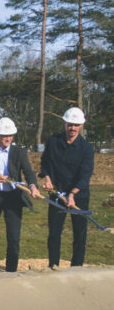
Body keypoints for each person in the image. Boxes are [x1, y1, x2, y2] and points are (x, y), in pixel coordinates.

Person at [0, 117, 40, 274]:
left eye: (10, 135)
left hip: (13, 198)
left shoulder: (19, 152)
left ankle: (11, 271)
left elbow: (28, 171)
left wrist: (32, 185)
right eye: (4, 135)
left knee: (13, 237)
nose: (7, 138)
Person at [40, 107, 95, 269]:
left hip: (79, 195)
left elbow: (86, 174)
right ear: (64, 124)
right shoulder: (53, 141)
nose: (73, 128)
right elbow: (45, 163)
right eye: (70, 124)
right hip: (57, 194)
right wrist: (48, 180)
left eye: (76, 125)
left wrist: (72, 194)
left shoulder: (86, 148)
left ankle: (76, 268)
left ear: (81, 126)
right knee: (54, 233)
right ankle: (53, 265)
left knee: (80, 234)